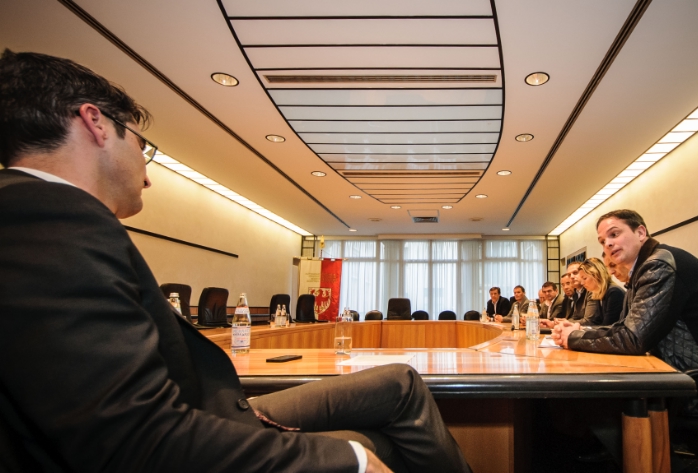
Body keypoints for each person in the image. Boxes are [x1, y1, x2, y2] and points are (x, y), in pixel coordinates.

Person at [0, 50, 471, 473]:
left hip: (204, 407)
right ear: (95, 123)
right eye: (143, 146)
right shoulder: (48, 215)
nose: (146, 175)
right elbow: (131, 438)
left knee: (399, 384)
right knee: (368, 443)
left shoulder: (38, 214)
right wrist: (352, 461)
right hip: (195, 421)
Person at [553, 209, 698, 418]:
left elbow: (633, 339)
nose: (608, 244)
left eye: (614, 234)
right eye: (603, 241)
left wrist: (574, 338)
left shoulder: (658, 266)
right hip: (693, 377)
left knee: (578, 400)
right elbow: (623, 327)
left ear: (641, 233)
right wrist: (579, 331)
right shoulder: (643, 269)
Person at [572, 257, 624, 327]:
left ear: (596, 275)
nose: (582, 283)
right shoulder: (599, 293)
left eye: (584, 278)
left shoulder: (614, 293)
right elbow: (597, 322)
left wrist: (580, 330)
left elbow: (608, 326)